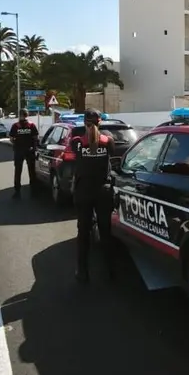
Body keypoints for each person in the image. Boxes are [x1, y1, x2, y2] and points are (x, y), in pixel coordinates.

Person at [69, 109, 114, 283]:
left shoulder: (77, 142)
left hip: (83, 192)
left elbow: (75, 149)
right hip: (103, 191)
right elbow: (111, 150)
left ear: (84, 123)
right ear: (99, 122)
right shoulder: (108, 141)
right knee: (105, 232)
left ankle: (82, 271)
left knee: (83, 232)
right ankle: (110, 271)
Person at [8, 109, 38, 198]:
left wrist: (16, 143)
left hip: (18, 151)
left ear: (19, 115)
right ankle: (33, 188)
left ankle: (17, 189)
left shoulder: (15, 126)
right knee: (31, 170)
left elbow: (11, 138)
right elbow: (35, 137)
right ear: (27, 115)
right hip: (30, 150)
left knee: (18, 170)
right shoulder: (31, 125)